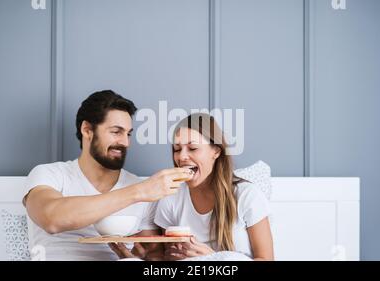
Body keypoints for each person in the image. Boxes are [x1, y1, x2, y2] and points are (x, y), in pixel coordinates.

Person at [23, 90, 193, 260]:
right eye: (116, 132)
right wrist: (139, 192)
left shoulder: (141, 189)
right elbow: (51, 219)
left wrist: (137, 257)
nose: (125, 142)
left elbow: (153, 255)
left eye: (128, 134)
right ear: (87, 130)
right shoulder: (50, 174)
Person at [155, 113, 274, 261]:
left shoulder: (246, 195)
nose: (182, 157)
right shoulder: (170, 198)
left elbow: (266, 258)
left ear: (216, 151)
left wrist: (214, 258)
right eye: (177, 149)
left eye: (192, 148)